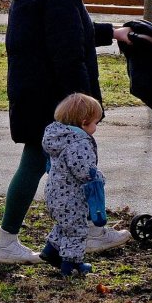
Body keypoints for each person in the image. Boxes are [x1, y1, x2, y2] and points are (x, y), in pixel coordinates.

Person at [0, 0, 132, 264]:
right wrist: (83, 105)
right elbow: (67, 50)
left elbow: (73, 30)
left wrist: (112, 32)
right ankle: (80, 233)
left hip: (33, 89)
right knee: (64, 163)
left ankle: (20, 240)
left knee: (47, 162)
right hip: (53, 96)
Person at [40, 93, 107, 277]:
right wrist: (98, 177)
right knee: (77, 231)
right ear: (84, 123)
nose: (96, 127)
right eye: (96, 123)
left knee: (65, 225)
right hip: (71, 197)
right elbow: (84, 171)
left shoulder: (58, 136)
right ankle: (71, 266)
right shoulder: (79, 142)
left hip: (55, 193)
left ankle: (50, 251)